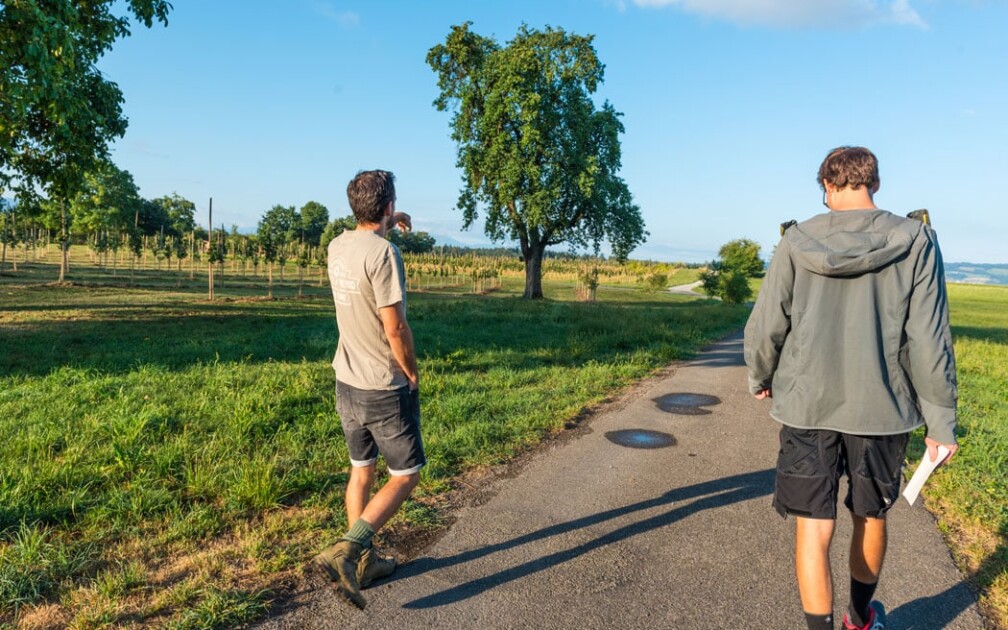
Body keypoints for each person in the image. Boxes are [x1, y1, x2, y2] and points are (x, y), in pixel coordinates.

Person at [744, 146, 958, 630]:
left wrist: (760, 376)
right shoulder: (917, 238)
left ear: (825, 186)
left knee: (813, 528)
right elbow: (929, 338)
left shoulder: (796, 239)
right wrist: (941, 422)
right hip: (882, 411)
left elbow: (766, 323)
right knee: (870, 516)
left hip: (807, 408)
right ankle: (860, 620)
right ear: (874, 184)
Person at [313, 169, 424, 610]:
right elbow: (394, 326)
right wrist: (411, 371)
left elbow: (367, 238)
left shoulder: (337, 246)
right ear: (389, 205)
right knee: (406, 474)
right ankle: (349, 550)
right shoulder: (386, 255)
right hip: (382, 384)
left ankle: (366, 563)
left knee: (362, 470)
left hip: (347, 381)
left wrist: (392, 221)